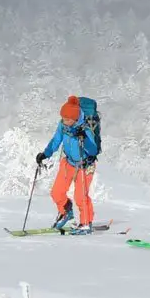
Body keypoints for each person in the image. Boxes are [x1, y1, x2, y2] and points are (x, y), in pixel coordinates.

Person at [35, 95, 100, 235]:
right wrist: (45, 154)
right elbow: (56, 140)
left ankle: (85, 223)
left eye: (67, 119)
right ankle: (66, 212)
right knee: (56, 192)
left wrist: (83, 137)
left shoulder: (85, 128)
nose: (64, 121)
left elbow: (93, 150)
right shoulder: (63, 125)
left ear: (75, 119)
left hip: (85, 166)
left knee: (80, 197)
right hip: (68, 163)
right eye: (63, 118)